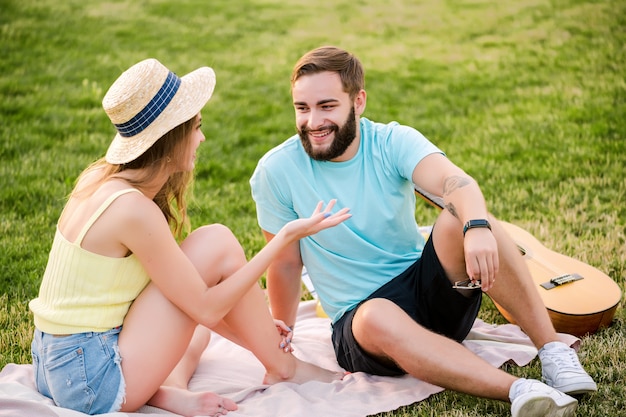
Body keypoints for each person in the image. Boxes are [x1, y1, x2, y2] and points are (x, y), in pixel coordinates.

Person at [249, 46, 597, 417]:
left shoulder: (391, 141)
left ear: (358, 101)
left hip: (427, 293)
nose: (313, 121)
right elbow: (285, 264)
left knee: (464, 217)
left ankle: (553, 353)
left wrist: (477, 227)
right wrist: (281, 335)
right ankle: (520, 391)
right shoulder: (277, 171)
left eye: (327, 106)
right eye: (302, 108)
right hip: (362, 325)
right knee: (376, 314)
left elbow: (456, 183)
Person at [29, 58, 351, 417]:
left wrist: (256, 331)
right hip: (92, 382)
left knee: (198, 334)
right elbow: (206, 306)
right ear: (172, 137)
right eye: (196, 127)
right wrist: (285, 236)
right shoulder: (134, 210)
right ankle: (284, 368)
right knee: (217, 242)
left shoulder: (98, 182)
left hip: (55, 363)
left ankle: (171, 392)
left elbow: (187, 302)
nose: (202, 137)